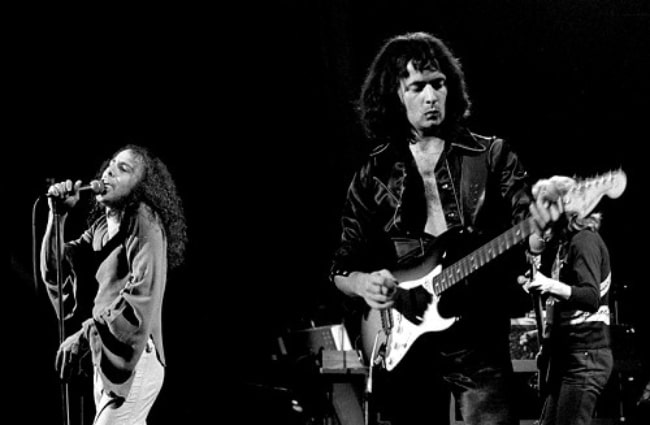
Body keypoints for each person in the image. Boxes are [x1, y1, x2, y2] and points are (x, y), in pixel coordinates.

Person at [329, 32, 561, 425]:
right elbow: (341, 266)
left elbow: (531, 235)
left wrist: (542, 229)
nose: (431, 96)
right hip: (407, 338)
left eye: (439, 84)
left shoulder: (492, 154)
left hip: (479, 337)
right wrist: (364, 284)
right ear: (395, 94)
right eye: (417, 87)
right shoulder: (374, 173)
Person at [40, 144, 187, 424]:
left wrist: (85, 334)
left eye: (124, 169)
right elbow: (57, 271)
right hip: (106, 359)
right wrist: (57, 217)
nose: (109, 170)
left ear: (141, 187)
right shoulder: (100, 230)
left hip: (134, 358)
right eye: (111, 164)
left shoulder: (144, 218)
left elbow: (141, 295)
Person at [518, 176, 614, 425]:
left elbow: (591, 297)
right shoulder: (563, 245)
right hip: (568, 357)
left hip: (585, 358)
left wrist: (550, 285)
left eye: (544, 208)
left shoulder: (584, 241)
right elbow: (564, 299)